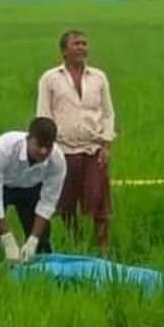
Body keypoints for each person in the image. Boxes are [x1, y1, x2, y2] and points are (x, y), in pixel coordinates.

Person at [36, 30, 116, 255]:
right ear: (64, 50)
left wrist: (106, 146)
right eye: (76, 44)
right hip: (63, 149)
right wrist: (48, 148)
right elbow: (43, 114)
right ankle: (75, 243)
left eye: (84, 43)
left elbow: (108, 114)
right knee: (66, 203)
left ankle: (103, 248)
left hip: (93, 149)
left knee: (100, 201)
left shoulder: (99, 77)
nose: (81, 47)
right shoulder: (50, 78)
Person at [0, 117, 67, 263]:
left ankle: (40, 271)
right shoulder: (3, 149)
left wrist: (34, 239)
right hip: (2, 183)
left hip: (31, 187)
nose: (43, 151)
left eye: (48, 147)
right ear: (29, 139)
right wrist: (8, 240)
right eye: (39, 145)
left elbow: (48, 203)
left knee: (41, 243)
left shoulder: (57, 161)